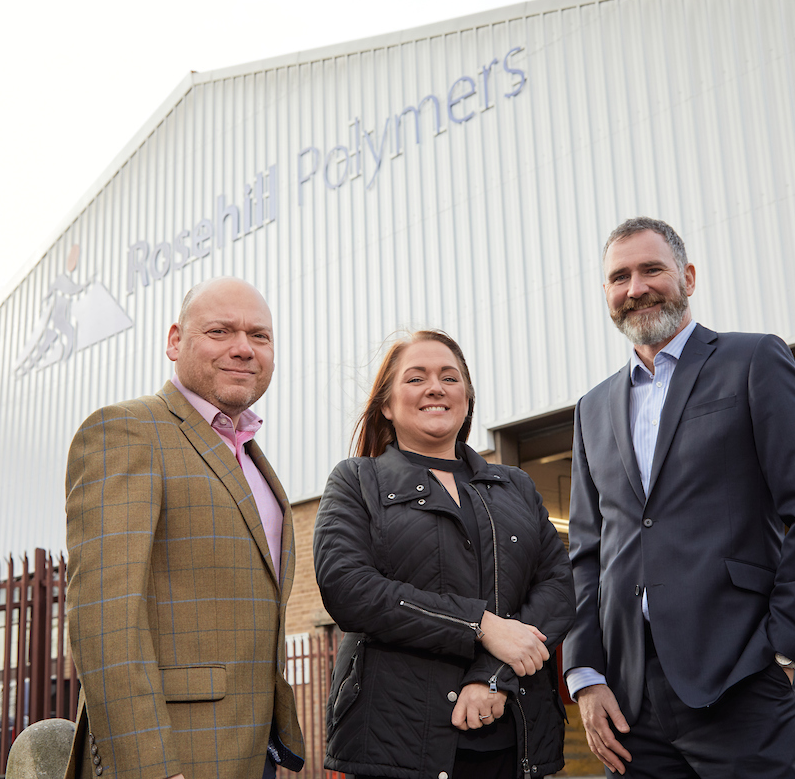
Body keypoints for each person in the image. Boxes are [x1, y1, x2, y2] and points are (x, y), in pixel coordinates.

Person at [562, 217, 795, 778]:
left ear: (687, 276)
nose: (636, 287)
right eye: (619, 277)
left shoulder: (754, 361)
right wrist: (586, 675)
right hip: (630, 702)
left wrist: (784, 652)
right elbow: (586, 554)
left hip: (741, 679)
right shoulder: (591, 410)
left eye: (652, 269)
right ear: (606, 294)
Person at [64, 277, 304, 779]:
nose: (243, 348)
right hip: (173, 754)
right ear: (175, 341)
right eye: (220, 331)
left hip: (251, 745)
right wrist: (149, 767)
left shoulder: (250, 457)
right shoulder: (127, 431)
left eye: (259, 336)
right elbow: (105, 620)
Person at [313, 330, 576, 779]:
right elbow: (348, 587)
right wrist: (479, 625)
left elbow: (557, 587)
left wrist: (493, 674)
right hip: (394, 746)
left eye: (449, 377)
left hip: (513, 739)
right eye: (415, 378)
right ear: (387, 405)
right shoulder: (357, 481)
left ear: (467, 399)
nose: (436, 387)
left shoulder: (515, 486)